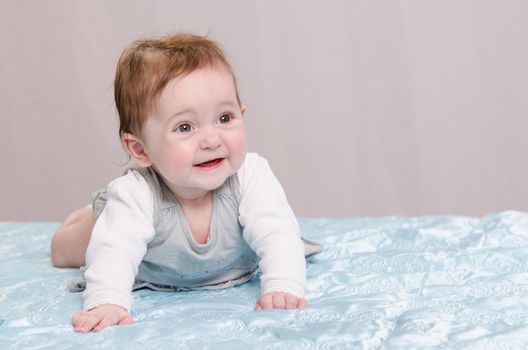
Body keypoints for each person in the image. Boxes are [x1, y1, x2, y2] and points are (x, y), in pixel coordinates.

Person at [50, 33, 322, 333]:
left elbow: (278, 233)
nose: (211, 139)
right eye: (184, 127)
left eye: (224, 118)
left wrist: (283, 285)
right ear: (140, 150)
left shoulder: (251, 175)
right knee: (71, 247)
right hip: (131, 224)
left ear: (241, 114)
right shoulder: (137, 195)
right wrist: (107, 301)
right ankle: (94, 214)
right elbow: (113, 252)